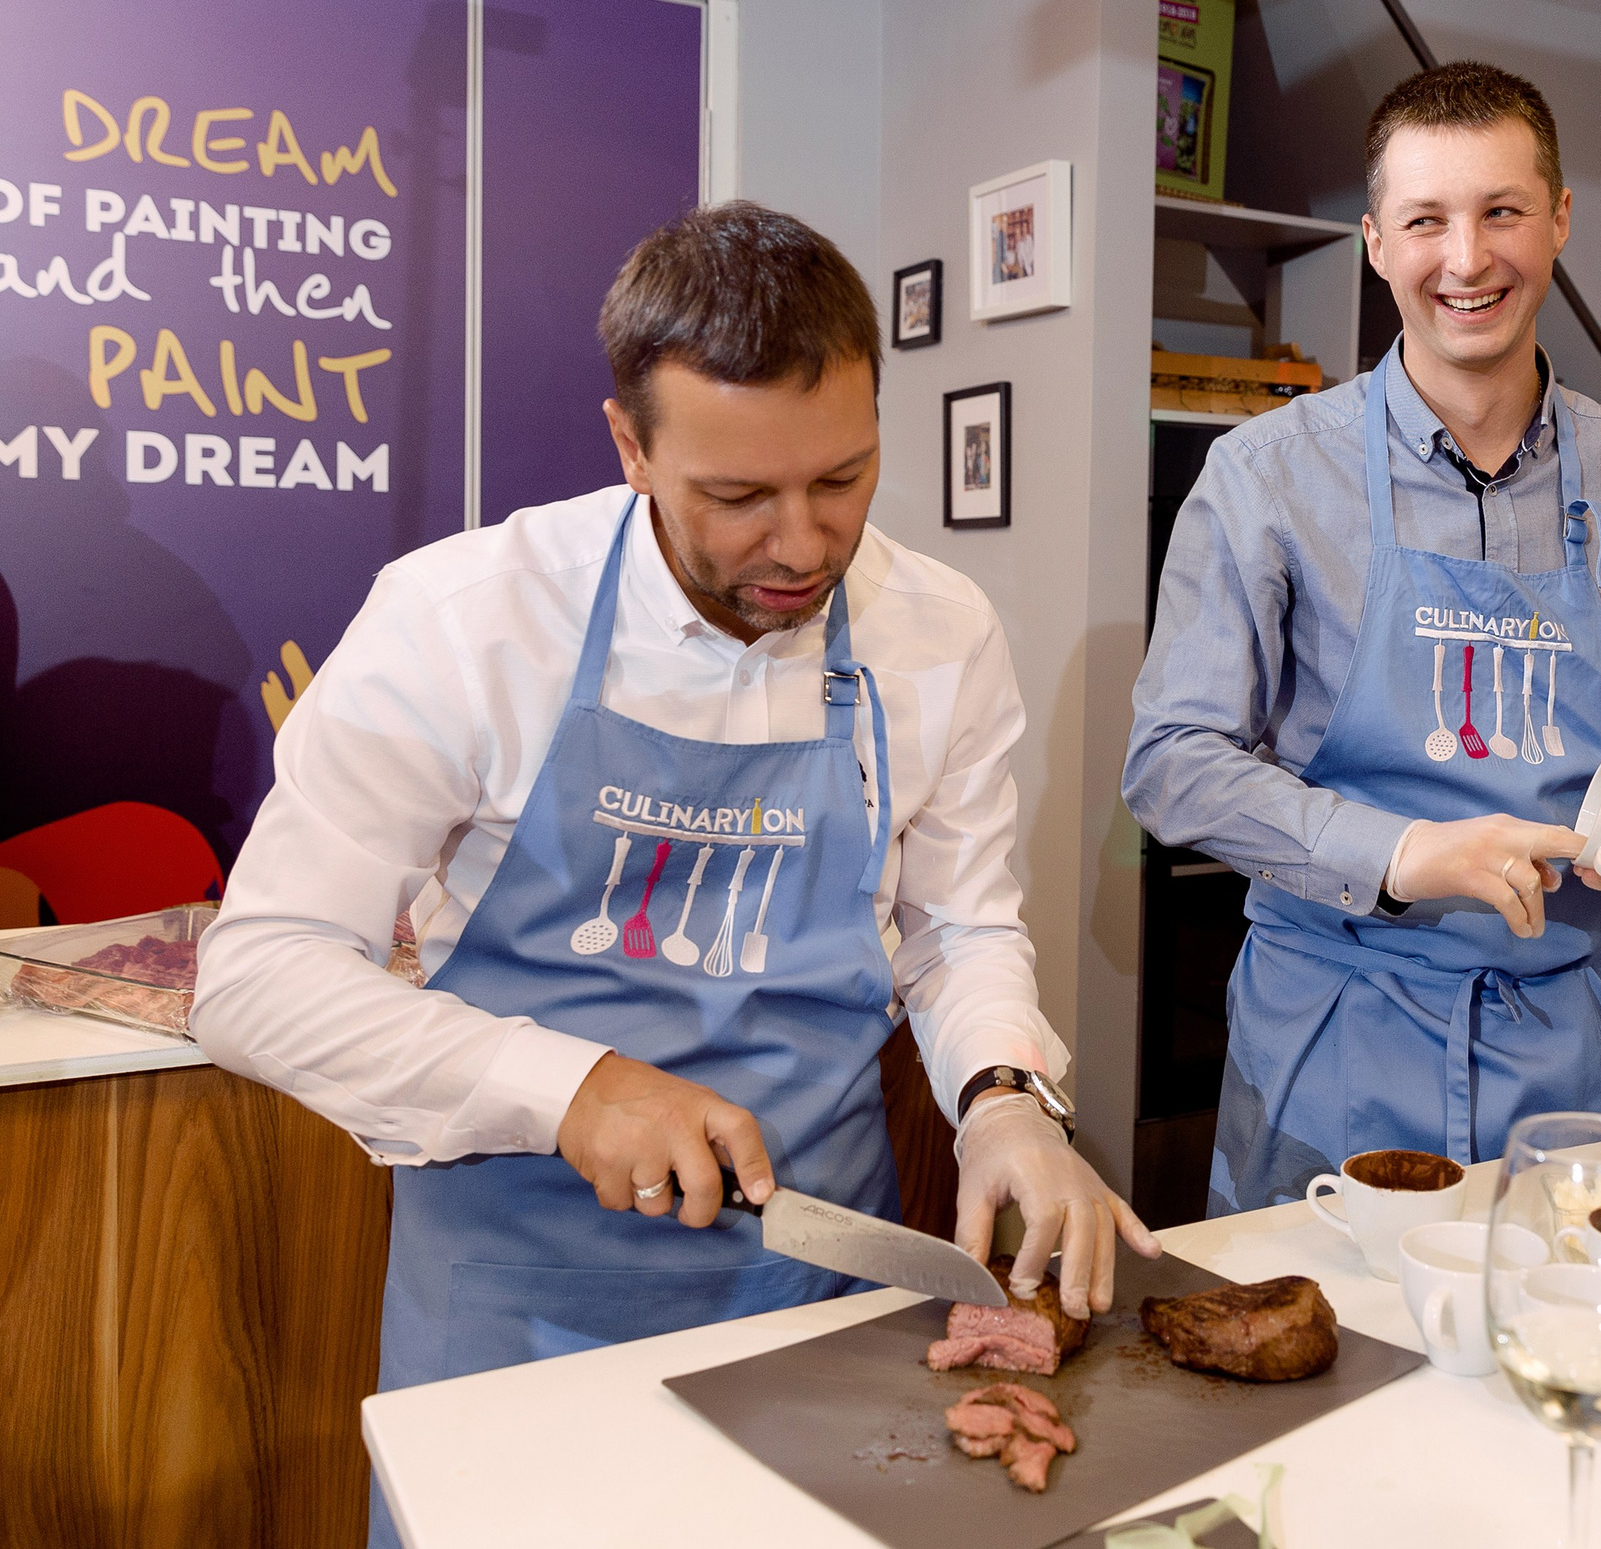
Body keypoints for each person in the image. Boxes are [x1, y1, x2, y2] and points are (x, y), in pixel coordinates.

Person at [193, 203, 1154, 1542]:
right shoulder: (465, 620)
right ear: (630, 445)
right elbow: (258, 975)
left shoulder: (938, 629)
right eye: (739, 497)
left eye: (844, 479)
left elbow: (957, 924)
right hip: (518, 1302)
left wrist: (1004, 1096)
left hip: (815, 1283)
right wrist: (568, 1084)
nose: (805, 546)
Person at [1123, 63, 1601, 1214]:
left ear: (1558, 219)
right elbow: (1170, 762)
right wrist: (1398, 854)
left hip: (1560, 1037)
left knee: (1560, 1356)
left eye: (1501, 210)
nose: (1465, 259)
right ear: (1374, 242)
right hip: (1329, 1031)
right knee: (1311, 1365)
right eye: (1424, 221)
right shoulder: (1266, 476)